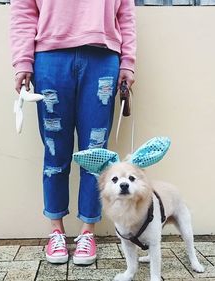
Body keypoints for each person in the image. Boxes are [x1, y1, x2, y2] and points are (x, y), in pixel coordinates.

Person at [10, 0, 136, 265]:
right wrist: (22, 61)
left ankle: (88, 231)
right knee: (55, 151)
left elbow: (126, 11)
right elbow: (23, 8)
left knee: (96, 156)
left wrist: (128, 62)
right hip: (50, 58)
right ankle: (56, 229)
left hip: (102, 58)